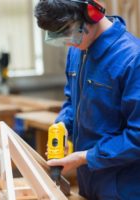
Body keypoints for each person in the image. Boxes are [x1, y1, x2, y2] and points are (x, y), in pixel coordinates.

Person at [35, 0, 140, 199]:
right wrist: (64, 125)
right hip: (89, 183)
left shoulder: (133, 58)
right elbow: (71, 101)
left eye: (69, 32)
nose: (67, 42)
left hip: (124, 188)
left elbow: (138, 135)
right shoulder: (77, 51)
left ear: (92, 14)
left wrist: (85, 157)